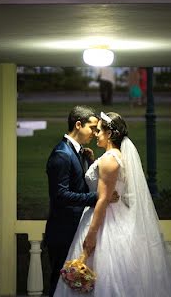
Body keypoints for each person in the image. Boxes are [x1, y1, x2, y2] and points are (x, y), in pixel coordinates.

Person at [54, 112, 171, 297]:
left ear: (109, 134)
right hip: (115, 216)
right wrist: (91, 160)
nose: (95, 134)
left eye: (99, 131)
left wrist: (92, 235)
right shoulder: (115, 157)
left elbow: (103, 199)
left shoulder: (110, 160)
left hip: (104, 222)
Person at [44, 106, 119, 296]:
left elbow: (79, 184)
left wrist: (88, 162)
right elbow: (60, 196)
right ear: (78, 124)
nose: (95, 133)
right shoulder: (62, 154)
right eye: (92, 128)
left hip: (76, 229)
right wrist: (98, 198)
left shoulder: (79, 152)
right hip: (63, 230)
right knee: (59, 284)